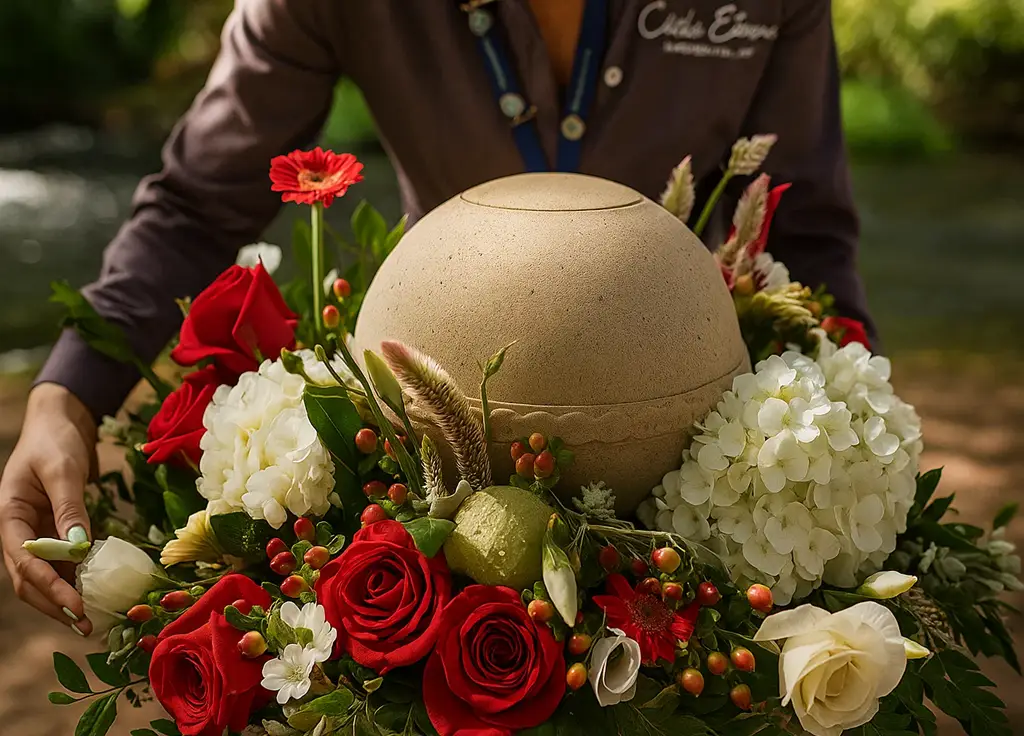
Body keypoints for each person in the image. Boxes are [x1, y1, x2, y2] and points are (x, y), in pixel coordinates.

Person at [0, 0, 871, 634]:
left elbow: (809, 239)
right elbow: (197, 204)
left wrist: (850, 464)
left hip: (685, 474)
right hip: (422, 460)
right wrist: (64, 399)